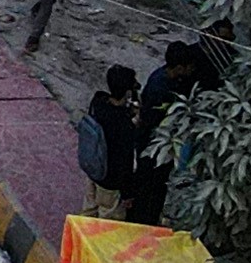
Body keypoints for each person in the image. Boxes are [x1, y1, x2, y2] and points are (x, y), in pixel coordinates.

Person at [128, 44, 203, 225]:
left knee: (155, 188)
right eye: (189, 67)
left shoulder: (167, 79)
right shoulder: (159, 89)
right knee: (148, 189)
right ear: (179, 68)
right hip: (152, 146)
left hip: (156, 144)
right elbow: (153, 121)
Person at [84, 66, 143, 218]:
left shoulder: (98, 102)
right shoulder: (124, 125)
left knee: (88, 212)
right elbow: (126, 162)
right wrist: (128, 194)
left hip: (94, 169)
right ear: (128, 92)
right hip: (110, 181)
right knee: (108, 219)